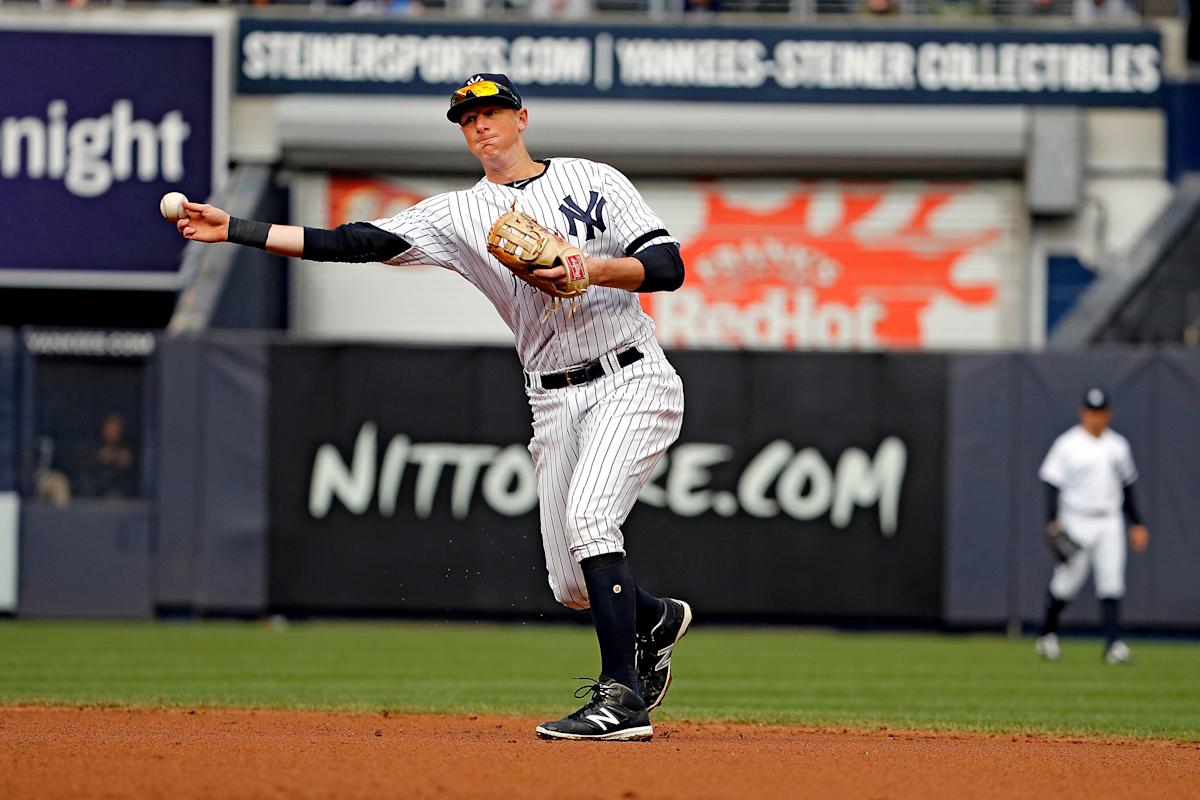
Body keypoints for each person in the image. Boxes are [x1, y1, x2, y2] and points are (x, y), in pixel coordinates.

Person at [172, 73, 693, 741]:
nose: (481, 125)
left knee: (591, 518)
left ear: (522, 117)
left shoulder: (595, 180)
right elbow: (353, 241)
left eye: (493, 111)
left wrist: (587, 267)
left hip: (630, 375)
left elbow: (668, 266)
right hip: (552, 397)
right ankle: (651, 618)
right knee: (569, 582)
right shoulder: (457, 215)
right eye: (467, 117)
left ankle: (621, 699)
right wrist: (237, 229)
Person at [1034, 388, 1149, 665]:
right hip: (1076, 518)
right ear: (1083, 412)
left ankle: (1113, 645)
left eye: (1100, 412)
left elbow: (1128, 485)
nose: (1095, 418)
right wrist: (1052, 521)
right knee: (1067, 582)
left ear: (1108, 414)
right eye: (1091, 412)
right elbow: (1051, 482)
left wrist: (1137, 523)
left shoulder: (1118, 445)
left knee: (1111, 581)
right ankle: (1047, 635)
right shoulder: (1068, 444)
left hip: (1109, 519)